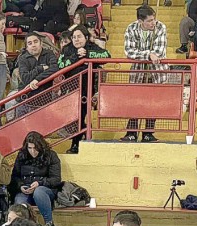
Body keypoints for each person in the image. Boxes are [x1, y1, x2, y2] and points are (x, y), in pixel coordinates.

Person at [57, 25, 110, 154]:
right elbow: (61, 64)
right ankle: (85, 131)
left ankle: (76, 143)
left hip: (87, 90)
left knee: (80, 116)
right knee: (73, 118)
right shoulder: (67, 49)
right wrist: (76, 56)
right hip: (69, 89)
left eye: (79, 36)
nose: (76, 39)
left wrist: (88, 55)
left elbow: (106, 56)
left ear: (86, 37)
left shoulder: (92, 47)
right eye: (74, 37)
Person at [120, 5, 168, 143]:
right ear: (141, 22)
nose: (153, 23)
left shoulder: (161, 27)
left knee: (153, 103)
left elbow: (159, 51)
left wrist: (150, 55)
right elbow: (129, 51)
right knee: (135, 101)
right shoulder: (131, 28)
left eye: (154, 19)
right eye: (149, 21)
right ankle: (131, 133)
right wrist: (148, 54)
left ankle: (148, 134)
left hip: (156, 72)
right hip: (138, 72)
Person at [9, 131, 62, 226]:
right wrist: (20, 186)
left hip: (45, 190)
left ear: (41, 146)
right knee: (19, 202)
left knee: (39, 192)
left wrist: (40, 183)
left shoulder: (51, 155)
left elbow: (56, 179)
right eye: (30, 148)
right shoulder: (22, 156)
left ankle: (49, 224)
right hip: (26, 190)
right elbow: (14, 176)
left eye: (35, 148)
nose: (33, 151)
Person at [16, 32, 59, 111]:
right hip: (26, 99)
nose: (33, 45)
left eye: (36, 42)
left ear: (41, 43)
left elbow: (54, 68)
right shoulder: (22, 58)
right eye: (30, 43)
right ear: (26, 47)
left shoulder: (49, 54)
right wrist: (40, 69)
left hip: (45, 98)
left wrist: (37, 80)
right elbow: (25, 78)